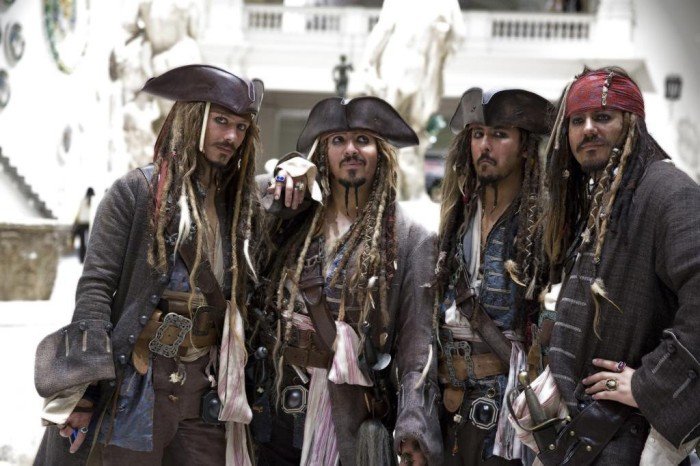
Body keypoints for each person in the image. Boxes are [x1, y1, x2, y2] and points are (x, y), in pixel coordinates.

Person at [34, 64, 264, 465]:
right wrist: (84, 391)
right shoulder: (134, 192)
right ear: (192, 119)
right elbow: (95, 288)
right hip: (138, 384)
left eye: (241, 128)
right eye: (221, 121)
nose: (231, 136)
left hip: (205, 388)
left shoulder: (241, 207)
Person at [250, 96, 442, 465]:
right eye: (338, 140)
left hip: (348, 413)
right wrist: (284, 174)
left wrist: (414, 422)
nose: (350, 149)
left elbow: (417, 345)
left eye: (362, 140)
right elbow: (246, 206)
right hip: (273, 404)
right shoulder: (295, 218)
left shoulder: (411, 239)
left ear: (381, 154)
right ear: (322, 154)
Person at [541, 66, 700, 464]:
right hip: (586, 432)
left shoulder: (668, 191)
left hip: (628, 436)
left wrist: (649, 385)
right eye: (576, 120)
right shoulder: (606, 196)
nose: (587, 129)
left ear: (632, 123)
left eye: (603, 116)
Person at [433, 88, 555, 465]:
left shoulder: (544, 224)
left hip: (509, 407)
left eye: (500, 134)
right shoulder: (457, 218)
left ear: (524, 147)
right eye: (478, 134)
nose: (485, 145)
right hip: (449, 401)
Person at [72, 187, 95, 263]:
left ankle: (84, 258)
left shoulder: (89, 201)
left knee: (85, 242)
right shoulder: (86, 201)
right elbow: (80, 213)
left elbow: (79, 213)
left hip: (85, 224)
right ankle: (83, 258)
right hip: (83, 224)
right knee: (85, 242)